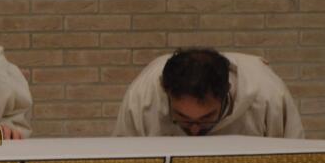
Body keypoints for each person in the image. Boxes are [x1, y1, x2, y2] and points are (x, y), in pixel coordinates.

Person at [113, 47, 304, 139]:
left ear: (227, 91)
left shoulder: (268, 96)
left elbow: (296, 159)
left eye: (207, 118)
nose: (195, 131)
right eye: (183, 118)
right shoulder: (142, 98)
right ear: (165, 91)